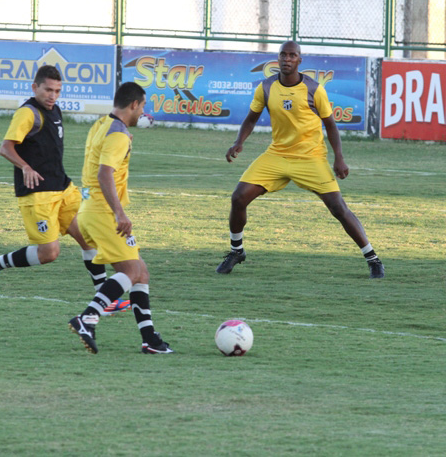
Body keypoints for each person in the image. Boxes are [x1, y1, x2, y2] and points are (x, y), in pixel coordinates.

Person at [215, 41, 384, 279]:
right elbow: (251, 118)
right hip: (277, 155)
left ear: (299, 60)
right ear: (278, 58)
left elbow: (331, 125)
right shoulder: (266, 87)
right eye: (283, 55)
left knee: (338, 208)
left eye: (292, 55)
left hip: (310, 158)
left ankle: (373, 259)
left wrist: (339, 158)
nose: (286, 59)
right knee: (238, 197)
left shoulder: (315, 89)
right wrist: (239, 141)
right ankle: (236, 251)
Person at [0, 65, 129, 314]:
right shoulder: (27, 113)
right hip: (38, 194)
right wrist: (24, 167)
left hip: (63, 187)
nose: (52, 95)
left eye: (57, 91)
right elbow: (6, 147)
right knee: (49, 253)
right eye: (48, 90)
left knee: (88, 237)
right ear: (34, 87)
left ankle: (105, 297)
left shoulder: (54, 109)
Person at [68, 82, 174, 354]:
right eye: (143, 107)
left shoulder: (102, 124)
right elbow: (105, 173)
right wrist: (119, 212)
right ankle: (88, 317)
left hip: (89, 209)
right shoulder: (119, 135)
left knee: (141, 272)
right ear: (134, 105)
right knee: (130, 271)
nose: (142, 113)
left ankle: (149, 339)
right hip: (104, 213)